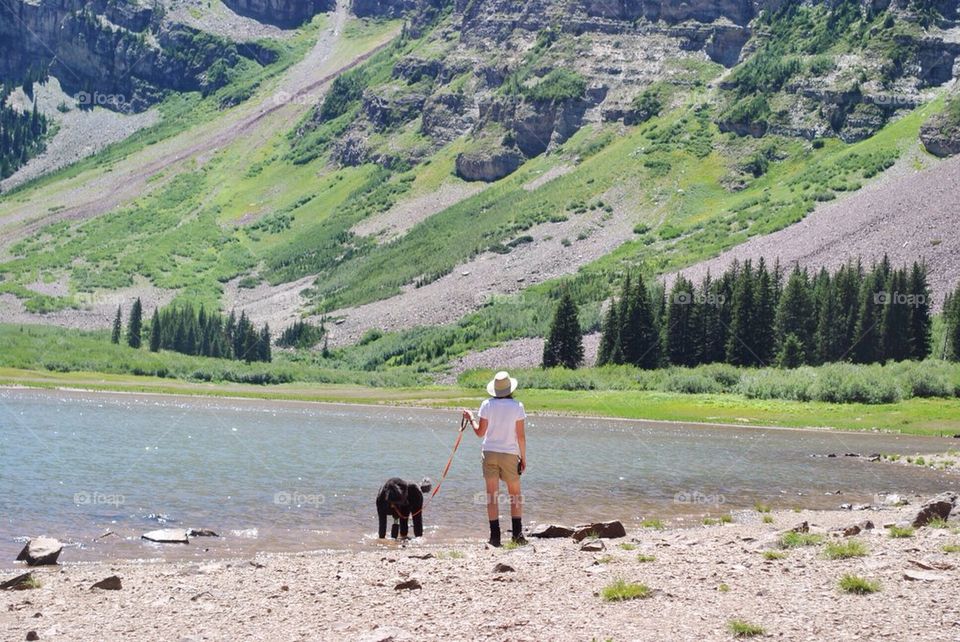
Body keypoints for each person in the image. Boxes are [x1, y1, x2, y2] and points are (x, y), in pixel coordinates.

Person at [462, 370, 527, 547]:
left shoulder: (486, 404)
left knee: (491, 496)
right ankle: (517, 536)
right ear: (510, 389)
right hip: (510, 454)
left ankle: (495, 538)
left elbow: (479, 433)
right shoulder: (518, 406)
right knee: (515, 496)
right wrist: (524, 458)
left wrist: (471, 419)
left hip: (489, 452)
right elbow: (521, 436)